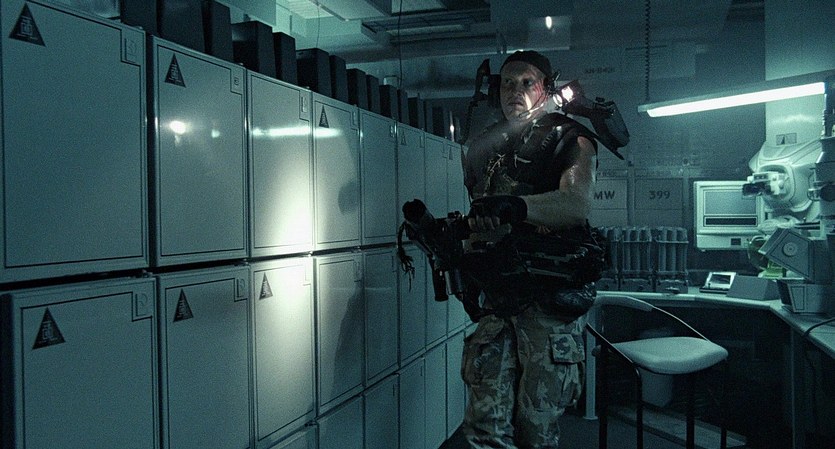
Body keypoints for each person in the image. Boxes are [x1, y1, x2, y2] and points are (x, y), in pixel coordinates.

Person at [459, 50, 602, 449]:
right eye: (507, 83)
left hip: (546, 302)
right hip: (499, 299)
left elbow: (575, 204)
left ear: (546, 89)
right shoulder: (484, 147)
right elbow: (480, 211)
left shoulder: (570, 138)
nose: (515, 91)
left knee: (536, 430)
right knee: (485, 427)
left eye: (527, 83)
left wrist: (516, 207)